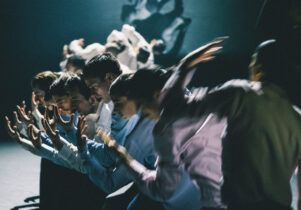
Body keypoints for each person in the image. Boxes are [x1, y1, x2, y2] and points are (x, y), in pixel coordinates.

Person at [95, 38, 228, 210]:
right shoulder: (192, 102)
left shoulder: (165, 131)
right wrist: (184, 66)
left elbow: (161, 191)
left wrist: (123, 157)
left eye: (143, 107)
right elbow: (173, 87)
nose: (147, 115)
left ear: (156, 96)